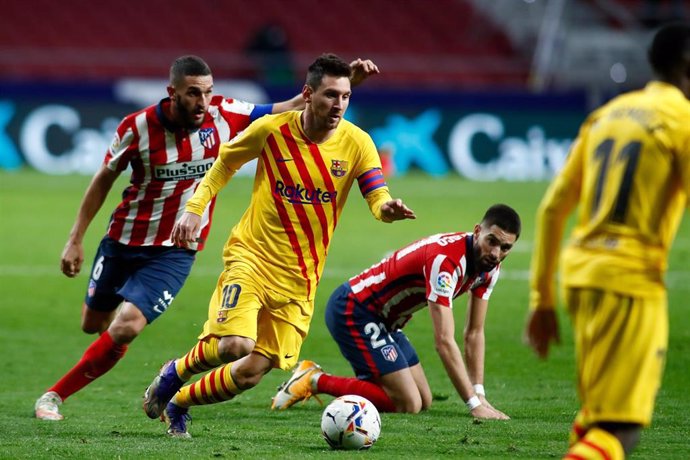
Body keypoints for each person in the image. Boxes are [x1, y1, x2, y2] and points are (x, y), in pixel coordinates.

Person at [34, 54, 381, 421]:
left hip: (175, 249)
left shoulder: (224, 113)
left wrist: (345, 89)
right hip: (124, 239)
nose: (203, 102)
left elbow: (296, 105)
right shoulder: (136, 127)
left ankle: (55, 396)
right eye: (194, 94)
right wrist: (76, 238)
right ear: (172, 92)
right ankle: (121, 362)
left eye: (209, 93)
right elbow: (103, 178)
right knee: (94, 324)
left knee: (126, 327)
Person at [141, 53, 415, 438]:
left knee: (252, 372)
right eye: (330, 95)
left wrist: (388, 209)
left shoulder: (358, 144)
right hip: (251, 257)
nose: (338, 105)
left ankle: (179, 401)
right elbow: (223, 164)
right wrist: (194, 208)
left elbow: (376, 196)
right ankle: (174, 372)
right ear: (307, 94)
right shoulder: (271, 130)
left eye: (345, 96)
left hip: (300, 277)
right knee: (236, 345)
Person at [525, 23, 690, 460]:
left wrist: (542, 300)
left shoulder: (607, 115)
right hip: (631, 281)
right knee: (623, 428)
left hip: (580, 277)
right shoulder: (683, 122)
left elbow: (551, 209)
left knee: (597, 416)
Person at [271, 204, 520, 420]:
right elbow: (444, 341)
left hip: (385, 322)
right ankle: (314, 379)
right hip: (354, 309)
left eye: (505, 248)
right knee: (407, 403)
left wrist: (479, 393)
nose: (496, 253)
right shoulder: (446, 262)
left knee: (424, 399)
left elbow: (474, 332)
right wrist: (473, 405)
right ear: (478, 231)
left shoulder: (489, 269)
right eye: (492, 241)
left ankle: (364, 384)